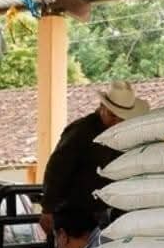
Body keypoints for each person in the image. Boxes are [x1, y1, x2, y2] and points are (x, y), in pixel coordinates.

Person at [41, 81, 150, 229]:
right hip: (76, 211)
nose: (116, 122)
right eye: (112, 115)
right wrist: (47, 208)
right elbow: (57, 169)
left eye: (122, 118)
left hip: (108, 210)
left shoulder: (125, 133)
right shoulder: (81, 131)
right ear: (102, 107)